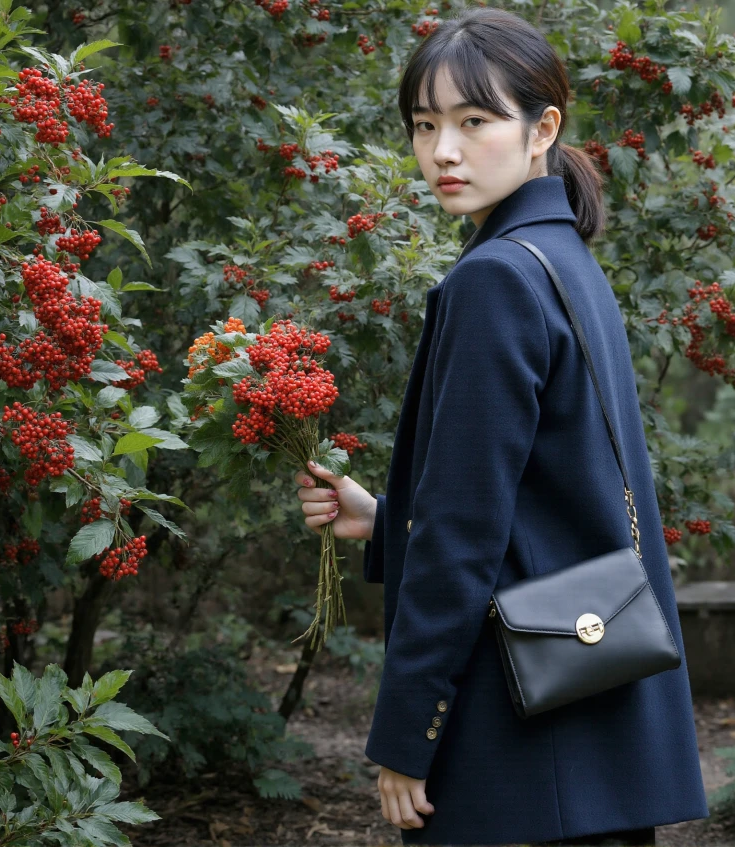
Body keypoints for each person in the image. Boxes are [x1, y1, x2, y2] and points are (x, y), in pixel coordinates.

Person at [289, 6, 709, 845]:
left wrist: (408, 732)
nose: (443, 151)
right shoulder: (563, 260)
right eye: (425, 125)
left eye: (474, 121)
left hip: (516, 749)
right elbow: (546, 493)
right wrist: (386, 519)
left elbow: (462, 534)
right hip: (587, 730)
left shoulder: (496, 280)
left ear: (541, 129)